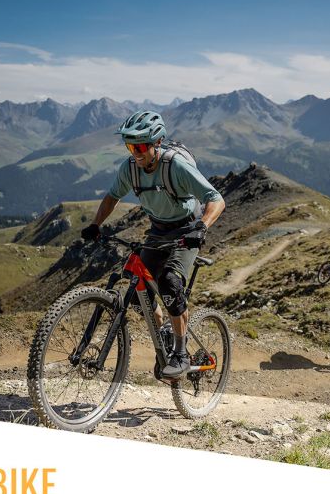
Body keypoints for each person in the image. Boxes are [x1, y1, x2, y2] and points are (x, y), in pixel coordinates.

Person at [81, 110, 225, 378]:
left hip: (186, 229)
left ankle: (181, 354)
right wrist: (95, 224)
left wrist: (202, 227)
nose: (135, 153)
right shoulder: (130, 169)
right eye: (130, 146)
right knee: (138, 292)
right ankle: (165, 334)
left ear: (157, 143)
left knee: (170, 283)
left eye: (140, 147)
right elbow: (112, 197)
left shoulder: (176, 167)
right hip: (158, 230)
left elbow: (216, 198)